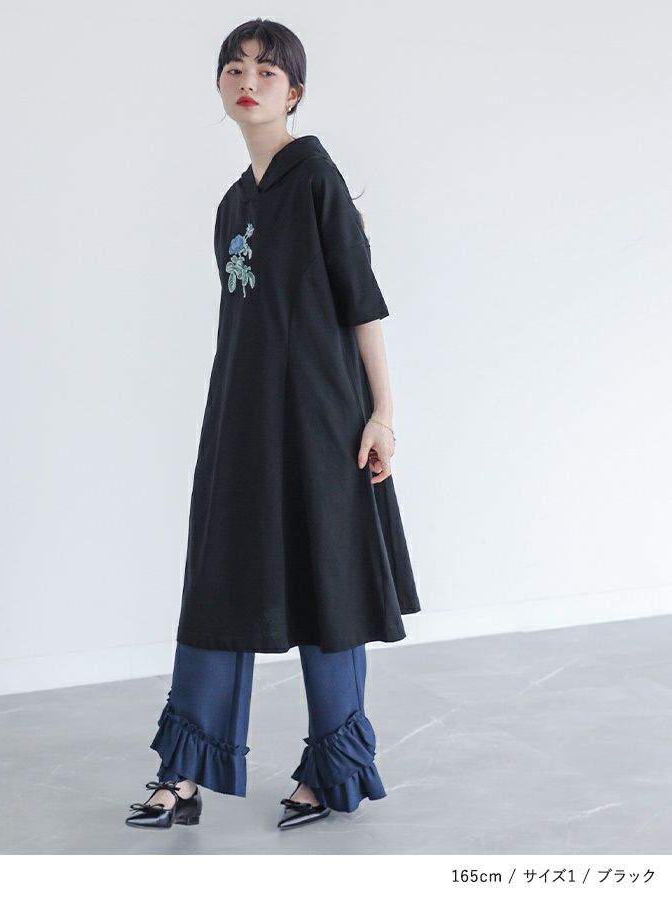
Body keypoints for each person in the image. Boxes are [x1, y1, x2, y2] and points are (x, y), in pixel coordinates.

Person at [126, 17, 421, 831]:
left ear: (295, 92)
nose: (247, 80)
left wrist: (383, 415)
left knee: (330, 587)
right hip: (240, 422)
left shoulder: (316, 176)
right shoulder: (231, 206)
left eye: (265, 69)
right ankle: (184, 772)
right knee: (218, 585)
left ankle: (332, 771)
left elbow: (362, 304)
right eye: (234, 68)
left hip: (323, 420)